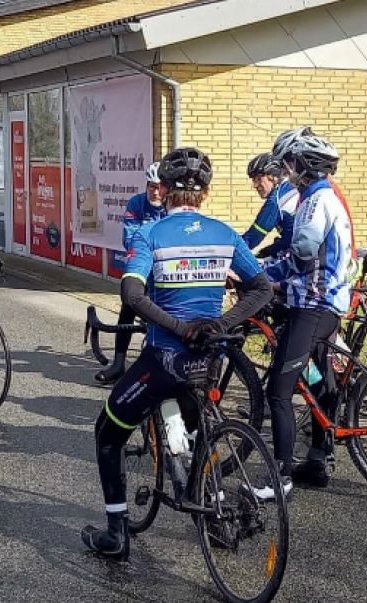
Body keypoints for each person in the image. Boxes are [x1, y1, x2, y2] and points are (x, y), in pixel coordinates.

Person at [80, 147, 273, 561]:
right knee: (198, 426)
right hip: (210, 356)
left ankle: (116, 535)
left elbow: (131, 293)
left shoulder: (149, 235)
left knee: (107, 434)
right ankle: (213, 510)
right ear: (204, 194)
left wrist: (178, 327)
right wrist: (219, 324)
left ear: (164, 190)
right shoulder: (225, 233)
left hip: (165, 359)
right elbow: (262, 288)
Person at [262, 132, 353, 496]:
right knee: (317, 382)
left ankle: (280, 479)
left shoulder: (315, 201)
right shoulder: (321, 196)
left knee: (279, 392)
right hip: (324, 304)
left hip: (313, 306)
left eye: (288, 163)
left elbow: (300, 254)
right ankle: (317, 460)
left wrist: (262, 276)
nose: (286, 170)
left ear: (303, 164)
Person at [94, 162, 166, 384]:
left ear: (167, 188)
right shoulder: (136, 203)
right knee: (128, 307)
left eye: (159, 186)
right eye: (150, 186)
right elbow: (129, 239)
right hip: (142, 266)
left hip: (164, 270)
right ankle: (118, 363)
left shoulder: (171, 205)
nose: (154, 191)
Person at [242, 152, 298, 261]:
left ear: (272, 177)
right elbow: (292, 237)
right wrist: (271, 249)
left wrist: (224, 250)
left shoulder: (276, 200)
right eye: (253, 180)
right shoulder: (291, 187)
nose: (255, 185)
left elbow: (251, 239)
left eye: (258, 179)